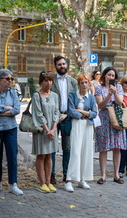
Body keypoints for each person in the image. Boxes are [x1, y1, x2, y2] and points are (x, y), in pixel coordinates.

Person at [64, 74, 98, 192]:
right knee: (76, 152)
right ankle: (69, 180)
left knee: (86, 152)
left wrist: (82, 111)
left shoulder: (91, 97)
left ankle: (82, 179)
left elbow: (94, 113)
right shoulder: (73, 95)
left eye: (86, 82)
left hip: (87, 125)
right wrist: (83, 113)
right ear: (78, 84)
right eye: (82, 82)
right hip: (77, 124)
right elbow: (71, 111)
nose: (84, 85)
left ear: (89, 84)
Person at [94, 67, 126, 184]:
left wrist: (115, 93)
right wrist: (108, 95)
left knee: (117, 147)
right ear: (104, 76)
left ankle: (116, 175)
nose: (111, 77)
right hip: (104, 118)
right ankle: (102, 175)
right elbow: (100, 105)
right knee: (104, 148)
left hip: (116, 118)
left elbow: (120, 102)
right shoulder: (99, 89)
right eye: (109, 75)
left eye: (113, 75)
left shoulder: (118, 87)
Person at [51, 56, 78, 184]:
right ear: (55, 66)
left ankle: (66, 174)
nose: (62, 66)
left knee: (67, 148)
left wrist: (67, 114)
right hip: (53, 119)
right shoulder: (51, 80)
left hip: (67, 118)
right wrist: (56, 116)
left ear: (66, 65)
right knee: (52, 147)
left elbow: (76, 101)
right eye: (59, 64)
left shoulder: (73, 82)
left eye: (63, 64)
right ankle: (51, 174)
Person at [32, 72, 60, 193]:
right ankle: (41, 183)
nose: (48, 83)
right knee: (41, 155)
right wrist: (47, 130)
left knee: (49, 155)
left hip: (52, 130)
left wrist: (53, 129)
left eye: (50, 80)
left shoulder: (54, 95)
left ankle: (49, 182)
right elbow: (38, 114)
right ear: (40, 82)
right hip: (42, 130)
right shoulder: (36, 95)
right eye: (45, 80)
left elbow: (56, 113)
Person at [0, 69, 23, 195]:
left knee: (12, 156)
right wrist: (8, 108)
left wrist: (1, 111)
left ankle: (13, 184)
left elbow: (17, 109)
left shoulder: (13, 93)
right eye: (7, 79)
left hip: (11, 129)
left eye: (11, 79)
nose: (10, 81)